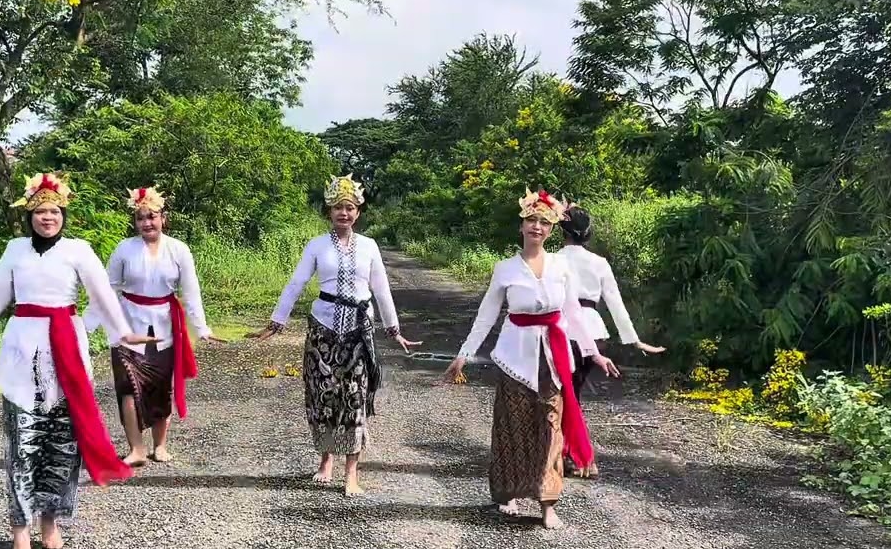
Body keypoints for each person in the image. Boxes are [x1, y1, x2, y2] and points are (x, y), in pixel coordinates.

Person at [0, 172, 154, 549]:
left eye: (54, 211)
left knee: (61, 446)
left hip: (67, 353)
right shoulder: (15, 251)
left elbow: (103, 296)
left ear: (63, 215)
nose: (48, 218)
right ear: (29, 215)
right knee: (22, 447)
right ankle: (19, 533)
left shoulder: (79, 250)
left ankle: (50, 521)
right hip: (23, 350)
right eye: (40, 211)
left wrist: (124, 333)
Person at [248, 174, 422, 496]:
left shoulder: (369, 246)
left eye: (351, 207)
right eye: (339, 207)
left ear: (358, 211)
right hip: (322, 329)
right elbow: (296, 284)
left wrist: (394, 328)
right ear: (329, 210)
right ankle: (325, 460)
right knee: (322, 396)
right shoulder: (316, 245)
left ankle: (351, 472)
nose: (344, 213)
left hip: (358, 332)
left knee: (355, 398)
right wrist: (276, 322)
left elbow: (381, 289)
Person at [439, 187, 598, 529]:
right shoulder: (506, 268)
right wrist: (464, 355)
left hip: (553, 359)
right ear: (521, 225)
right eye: (530, 220)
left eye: (543, 222)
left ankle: (547, 502)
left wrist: (593, 352)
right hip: (515, 357)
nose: (536, 227)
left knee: (550, 427)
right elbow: (486, 316)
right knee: (512, 426)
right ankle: (509, 493)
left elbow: (572, 313)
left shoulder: (560, 266)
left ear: (552, 229)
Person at [83, 185, 224, 467]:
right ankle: (136, 448)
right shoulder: (124, 249)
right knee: (127, 388)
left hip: (164, 327)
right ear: (135, 222)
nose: (147, 222)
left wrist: (202, 327)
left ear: (163, 218)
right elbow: (106, 290)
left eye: (152, 216)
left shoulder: (179, 250)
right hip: (127, 325)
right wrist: (83, 328)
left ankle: (160, 446)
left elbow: (191, 290)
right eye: (141, 218)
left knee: (160, 389)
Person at [556, 201, 666, 479]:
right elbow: (615, 304)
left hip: (560, 328)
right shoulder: (599, 263)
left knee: (559, 393)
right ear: (588, 233)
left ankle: (567, 452)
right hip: (593, 330)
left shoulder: (552, 258)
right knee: (574, 391)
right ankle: (571, 453)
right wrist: (635, 340)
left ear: (561, 230)